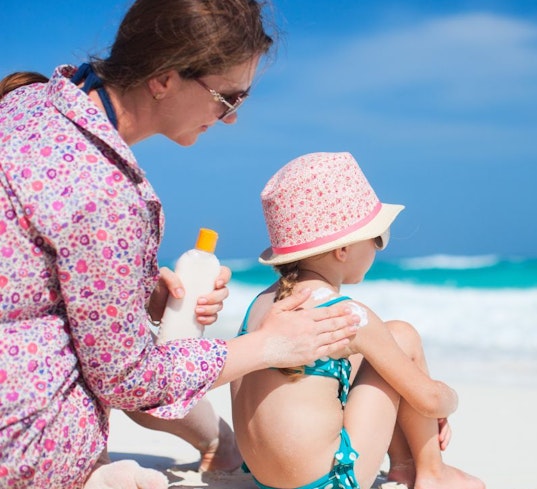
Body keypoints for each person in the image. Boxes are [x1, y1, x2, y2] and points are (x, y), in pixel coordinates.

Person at [0, 1, 361, 488]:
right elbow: (129, 380)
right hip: (21, 451)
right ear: (164, 79)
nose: (231, 118)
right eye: (227, 98)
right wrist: (269, 345)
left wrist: (136, 291)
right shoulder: (103, 192)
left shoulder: (29, 102)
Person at [231, 152, 485, 489]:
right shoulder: (348, 314)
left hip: (267, 481)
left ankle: (404, 467)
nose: (379, 249)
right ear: (343, 250)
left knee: (372, 357)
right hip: (329, 482)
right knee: (401, 336)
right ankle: (432, 473)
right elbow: (430, 400)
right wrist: (447, 401)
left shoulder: (262, 305)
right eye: (377, 238)